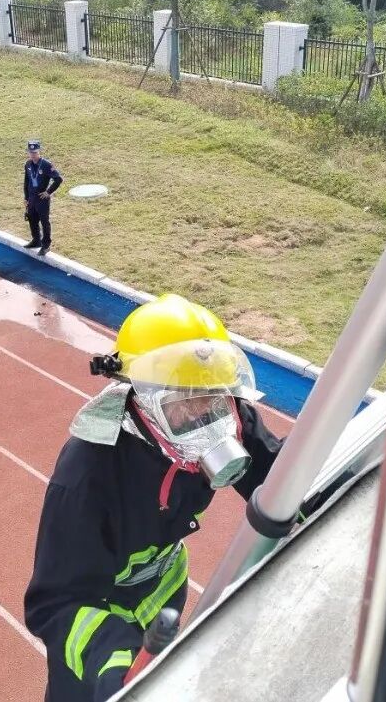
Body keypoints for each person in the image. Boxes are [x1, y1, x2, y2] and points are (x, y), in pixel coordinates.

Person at [24, 294, 283, 702]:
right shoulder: (88, 475)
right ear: (142, 399)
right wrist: (116, 668)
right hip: (98, 622)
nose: (203, 415)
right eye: (183, 400)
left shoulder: (226, 416)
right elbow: (55, 604)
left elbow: (282, 476)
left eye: (212, 394)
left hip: (163, 600)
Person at [23, 140, 63, 256]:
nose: (32, 155)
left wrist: (48, 192)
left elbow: (58, 179)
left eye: (35, 152)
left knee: (44, 222)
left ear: (39, 152)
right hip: (31, 198)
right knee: (32, 219)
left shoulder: (46, 164)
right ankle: (36, 240)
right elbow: (26, 182)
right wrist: (26, 197)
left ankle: (46, 245)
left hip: (42, 199)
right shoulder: (28, 164)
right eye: (31, 152)